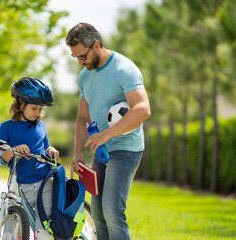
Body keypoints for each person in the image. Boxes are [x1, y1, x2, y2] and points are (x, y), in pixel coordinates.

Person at [65, 23, 151, 240]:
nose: (80, 63)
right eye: (76, 58)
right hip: (101, 151)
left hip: (125, 149)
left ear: (96, 45)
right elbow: (83, 118)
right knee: (99, 216)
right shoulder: (85, 76)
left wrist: (105, 134)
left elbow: (143, 109)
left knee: (112, 212)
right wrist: (77, 153)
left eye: (82, 56)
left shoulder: (124, 69)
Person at [0, 77, 59, 240]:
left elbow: (45, 146)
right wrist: (13, 151)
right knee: (11, 229)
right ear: (20, 105)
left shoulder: (40, 126)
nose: (38, 113)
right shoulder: (6, 127)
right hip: (19, 185)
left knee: (44, 231)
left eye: (40, 109)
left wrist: (51, 149)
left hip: (44, 184)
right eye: (34, 108)